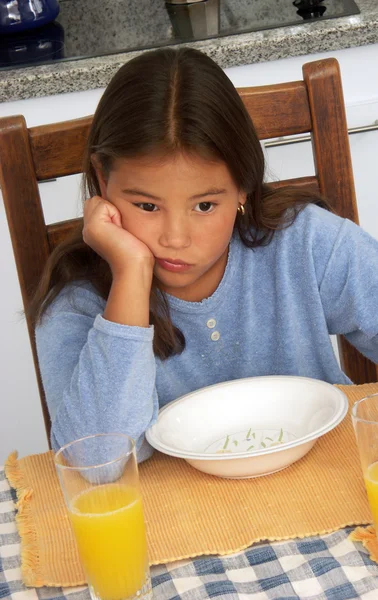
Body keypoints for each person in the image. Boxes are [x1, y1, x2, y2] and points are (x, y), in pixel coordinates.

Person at [31, 47, 378, 461]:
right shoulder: (78, 306)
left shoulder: (304, 243)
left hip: (329, 498)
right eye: (147, 206)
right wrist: (130, 277)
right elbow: (95, 464)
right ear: (102, 181)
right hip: (177, 522)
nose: (175, 238)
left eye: (204, 206)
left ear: (243, 187)